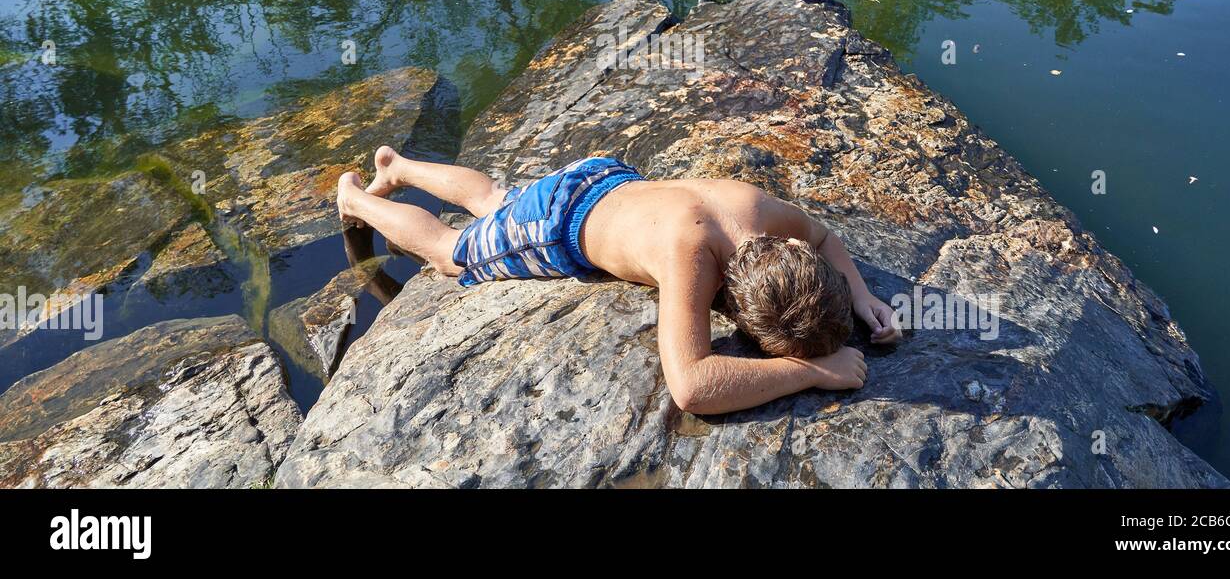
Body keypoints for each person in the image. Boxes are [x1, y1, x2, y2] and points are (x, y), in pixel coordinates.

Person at [337, 147, 901, 414]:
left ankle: (400, 168)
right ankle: (356, 197)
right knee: (449, 253)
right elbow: (692, 387)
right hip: (557, 224)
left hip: (602, 175)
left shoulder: (757, 213)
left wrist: (861, 293)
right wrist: (808, 370)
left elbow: (826, 239)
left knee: (493, 199)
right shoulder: (694, 258)